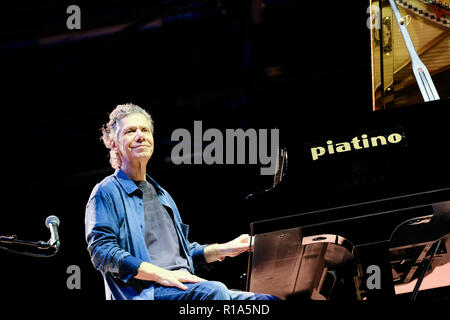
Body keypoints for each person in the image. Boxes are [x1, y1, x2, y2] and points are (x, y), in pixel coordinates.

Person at [85, 103, 279, 300]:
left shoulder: (162, 195)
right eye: (130, 131)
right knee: (215, 292)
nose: (140, 135)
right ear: (113, 143)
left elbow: (183, 253)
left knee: (271, 299)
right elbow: (103, 253)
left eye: (144, 129)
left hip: (182, 287)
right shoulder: (106, 191)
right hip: (147, 293)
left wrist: (227, 248)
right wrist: (165, 275)